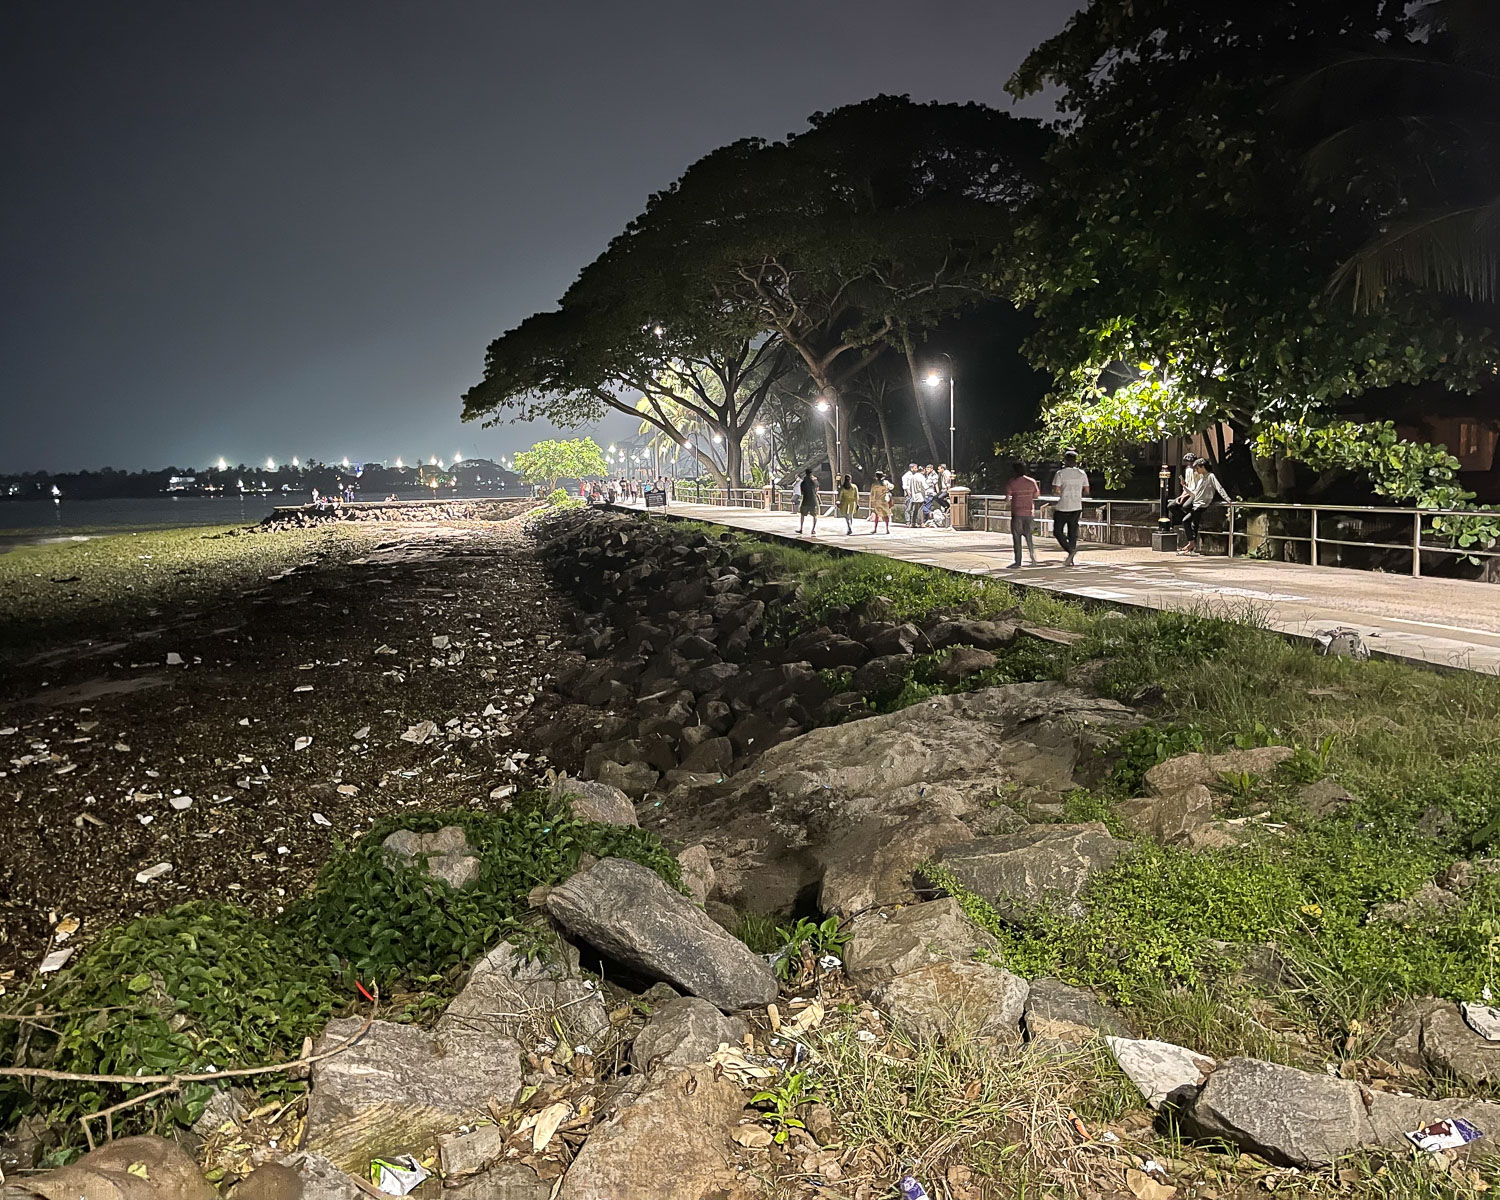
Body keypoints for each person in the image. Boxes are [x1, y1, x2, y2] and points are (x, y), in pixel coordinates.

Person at [1180, 458, 1231, 553]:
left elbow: (1219, 488)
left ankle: (1191, 543)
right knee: (1192, 524)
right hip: (1196, 504)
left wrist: (1227, 499)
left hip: (1200, 505)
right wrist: (1184, 487)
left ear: (1203, 467)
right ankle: (1191, 544)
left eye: (1197, 468)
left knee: (1186, 521)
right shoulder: (1201, 479)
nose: (1196, 471)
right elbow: (1194, 494)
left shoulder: (1211, 476)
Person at [1051, 449, 1090, 567]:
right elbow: (1087, 490)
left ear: (1065, 460)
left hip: (1063, 506)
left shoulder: (1060, 473)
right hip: (1076, 506)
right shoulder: (1082, 474)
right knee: (1072, 532)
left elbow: (1056, 490)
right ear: (1076, 461)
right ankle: (1071, 557)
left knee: (1057, 531)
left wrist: (1060, 492)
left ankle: (1069, 550)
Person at [1004, 461, 1041, 567]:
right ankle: (1033, 558)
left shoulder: (1012, 482)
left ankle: (1018, 561)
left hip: (1017, 512)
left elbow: (1007, 497)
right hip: (1029, 512)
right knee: (1029, 536)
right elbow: (1036, 495)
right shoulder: (1031, 481)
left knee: (1017, 537)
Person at [901, 462, 927, 528]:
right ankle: (921, 522)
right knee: (920, 509)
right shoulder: (921, 477)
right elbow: (925, 486)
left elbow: (910, 487)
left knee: (915, 509)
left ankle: (913, 522)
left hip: (914, 495)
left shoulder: (913, 477)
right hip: (920, 494)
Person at [796, 468, 820, 535]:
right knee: (815, 515)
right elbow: (817, 489)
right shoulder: (814, 482)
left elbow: (802, 492)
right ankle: (813, 529)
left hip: (805, 500)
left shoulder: (803, 482)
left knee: (802, 515)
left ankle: (801, 528)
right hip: (813, 500)